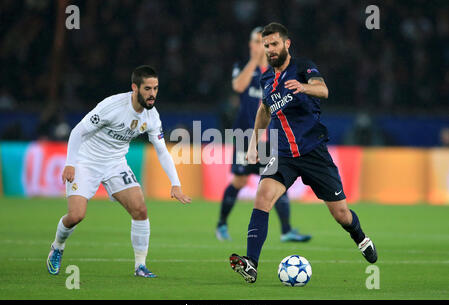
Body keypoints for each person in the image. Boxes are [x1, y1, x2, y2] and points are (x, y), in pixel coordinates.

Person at [229, 23, 377, 283]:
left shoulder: (303, 67)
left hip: (313, 152)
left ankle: (361, 238)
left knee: (341, 214)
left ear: (287, 44)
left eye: (274, 44)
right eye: (266, 45)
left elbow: (323, 89)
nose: (270, 49)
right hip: (284, 155)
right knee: (263, 196)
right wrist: (253, 143)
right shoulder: (266, 79)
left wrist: (304, 87)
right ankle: (251, 263)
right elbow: (264, 111)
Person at [46, 65, 191, 278]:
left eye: (156, 88)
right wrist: (70, 163)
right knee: (76, 215)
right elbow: (78, 131)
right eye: (148, 89)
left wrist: (175, 183)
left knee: (140, 210)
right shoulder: (112, 106)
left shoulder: (152, 117)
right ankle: (57, 247)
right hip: (86, 161)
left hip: (115, 163)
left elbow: (162, 151)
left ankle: (140, 266)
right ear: (135, 88)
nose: (153, 94)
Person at [216, 27, 312, 243]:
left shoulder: (276, 70)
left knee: (276, 180)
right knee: (240, 181)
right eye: (257, 42)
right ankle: (221, 224)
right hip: (244, 135)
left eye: (264, 43)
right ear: (251, 45)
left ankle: (286, 230)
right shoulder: (243, 67)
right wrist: (254, 61)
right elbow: (239, 87)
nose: (261, 46)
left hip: (272, 137)